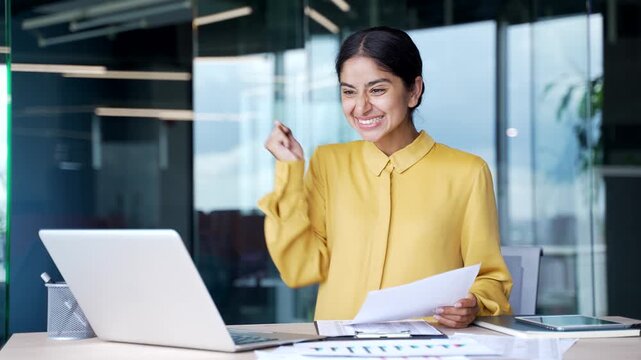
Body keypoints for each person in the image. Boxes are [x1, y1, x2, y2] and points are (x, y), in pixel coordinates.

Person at [258, 26, 512, 328]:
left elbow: (491, 279)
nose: (361, 106)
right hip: (338, 348)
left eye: (377, 90)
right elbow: (299, 268)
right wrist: (289, 171)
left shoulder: (467, 172)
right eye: (349, 91)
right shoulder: (329, 163)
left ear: (414, 91)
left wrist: (474, 303)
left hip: (428, 350)